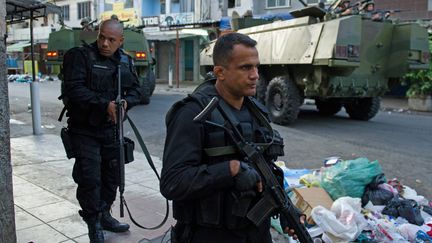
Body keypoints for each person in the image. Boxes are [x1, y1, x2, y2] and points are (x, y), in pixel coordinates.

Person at [161, 32, 304, 243]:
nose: (255, 75)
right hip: (209, 235)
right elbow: (172, 183)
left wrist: (286, 210)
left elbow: (266, 169)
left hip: (256, 233)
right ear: (220, 72)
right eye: (246, 67)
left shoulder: (257, 112)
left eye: (256, 66)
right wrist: (230, 169)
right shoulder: (194, 112)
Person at [62, 19, 142, 242]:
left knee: (112, 176)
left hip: (111, 131)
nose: (105, 43)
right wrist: (103, 104)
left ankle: (105, 214)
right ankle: (94, 222)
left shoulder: (125, 61)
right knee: (90, 178)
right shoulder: (80, 56)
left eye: (111, 40)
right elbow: (74, 89)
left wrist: (126, 103)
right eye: (101, 37)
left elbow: (137, 91)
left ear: (121, 41)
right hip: (84, 130)